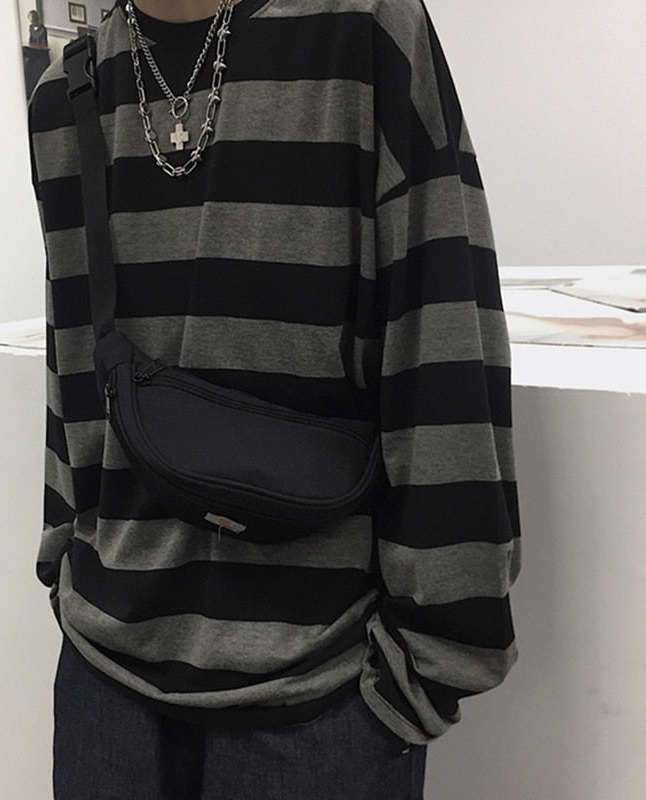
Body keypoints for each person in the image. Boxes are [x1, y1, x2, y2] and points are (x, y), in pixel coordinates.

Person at [27, 0, 521, 797]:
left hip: (319, 694)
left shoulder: (362, 30)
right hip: (102, 685)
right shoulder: (65, 92)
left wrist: (431, 663)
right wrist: (63, 555)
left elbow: (442, 334)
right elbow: (75, 358)